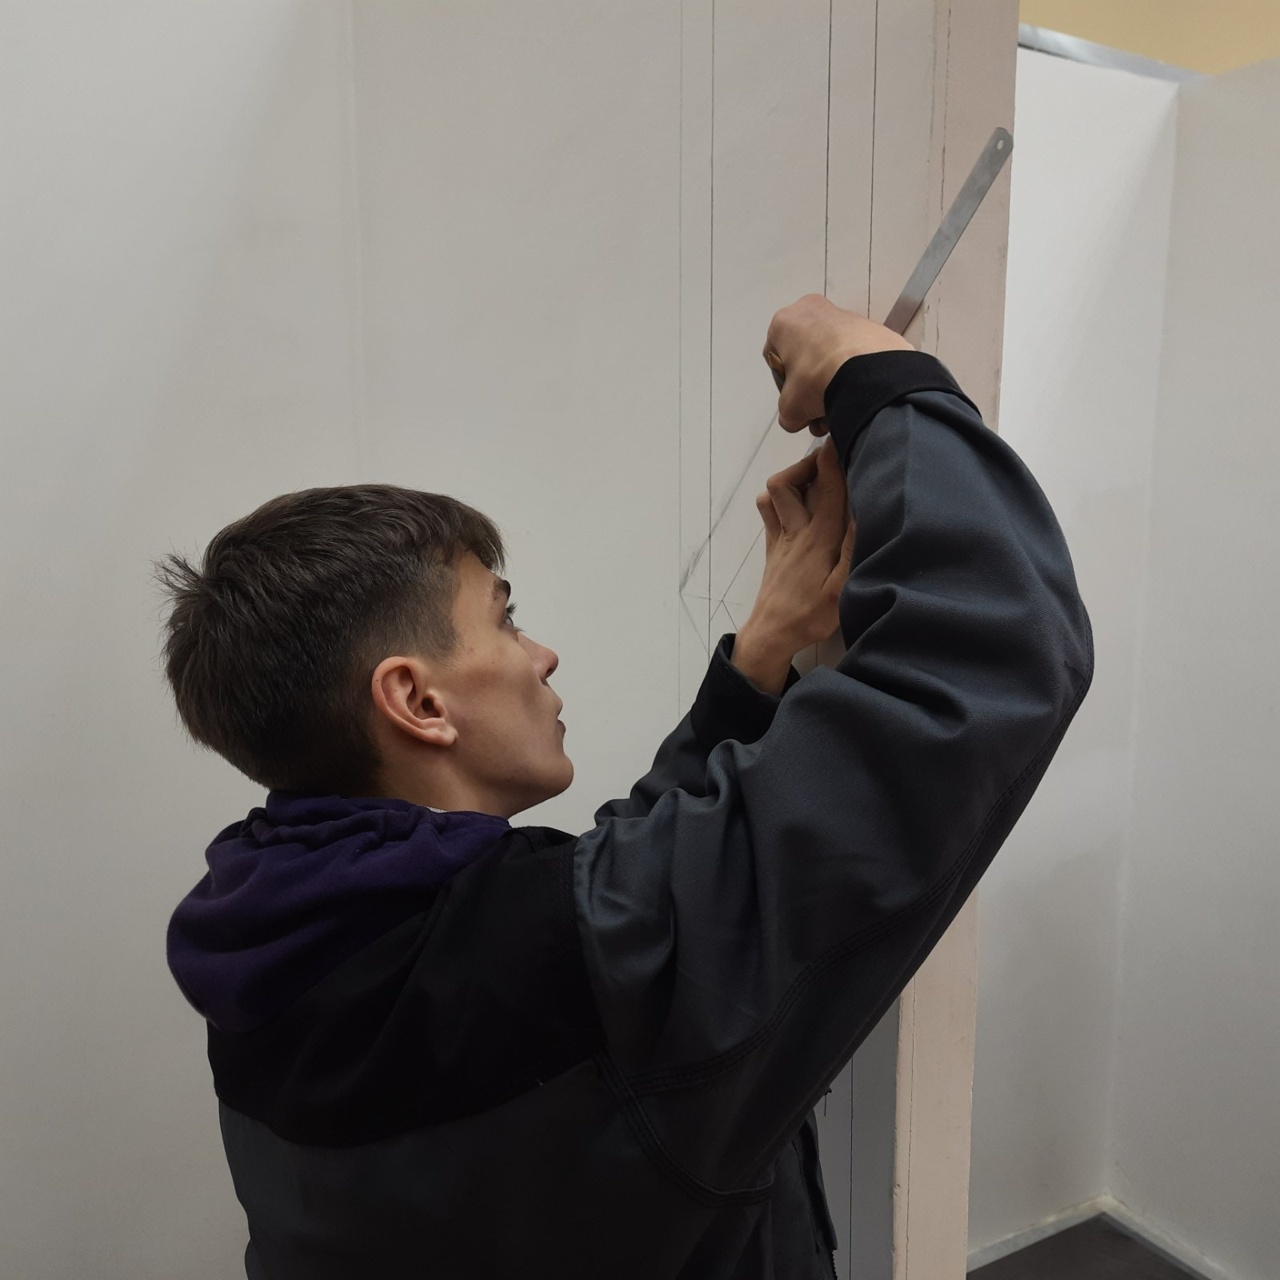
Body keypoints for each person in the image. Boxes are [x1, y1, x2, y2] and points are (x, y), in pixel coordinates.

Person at [158, 295, 1093, 1280]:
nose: (541, 653)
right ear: (417, 699)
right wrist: (882, 378)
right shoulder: (580, 958)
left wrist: (760, 659)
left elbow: (592, 910)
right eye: (505, 619)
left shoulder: (273, 939)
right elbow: (987, 662)